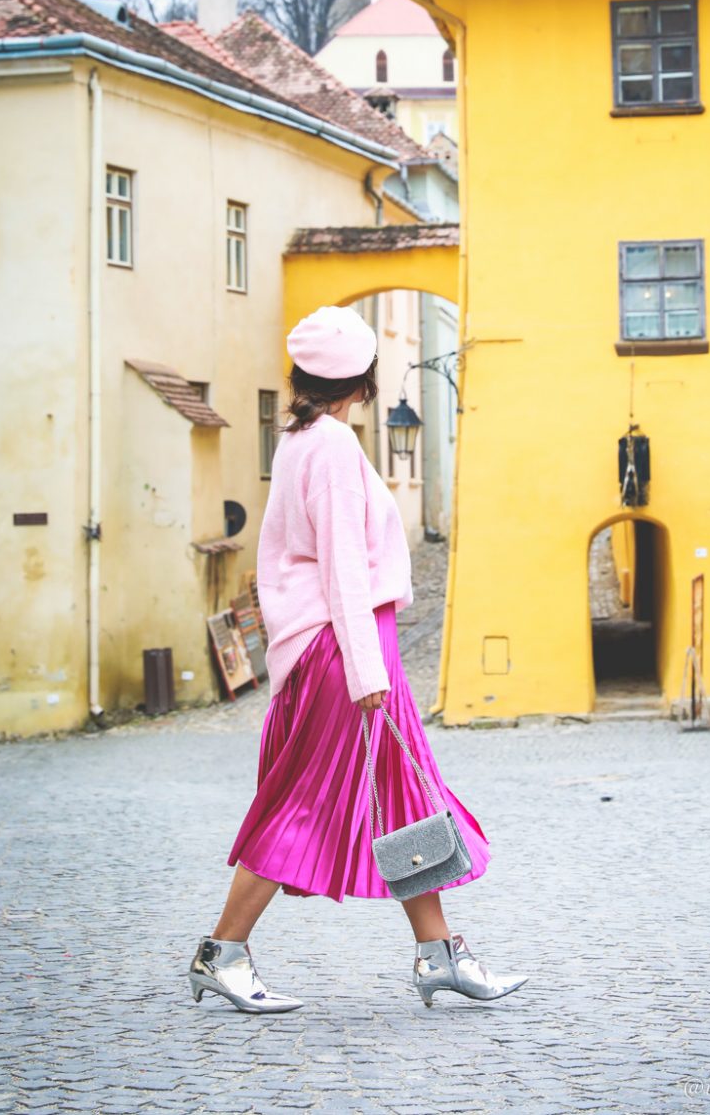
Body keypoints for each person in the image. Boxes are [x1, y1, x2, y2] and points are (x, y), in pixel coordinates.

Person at [188, 305, 527, 1013]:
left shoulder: (300, 438)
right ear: (365, 380)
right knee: (303, 801)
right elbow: (342, 565)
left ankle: (439, 955)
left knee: (405, 794)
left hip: (341, 643)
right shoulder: (334, 445)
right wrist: (367, 671)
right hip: (343, 648)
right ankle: (221, 953)